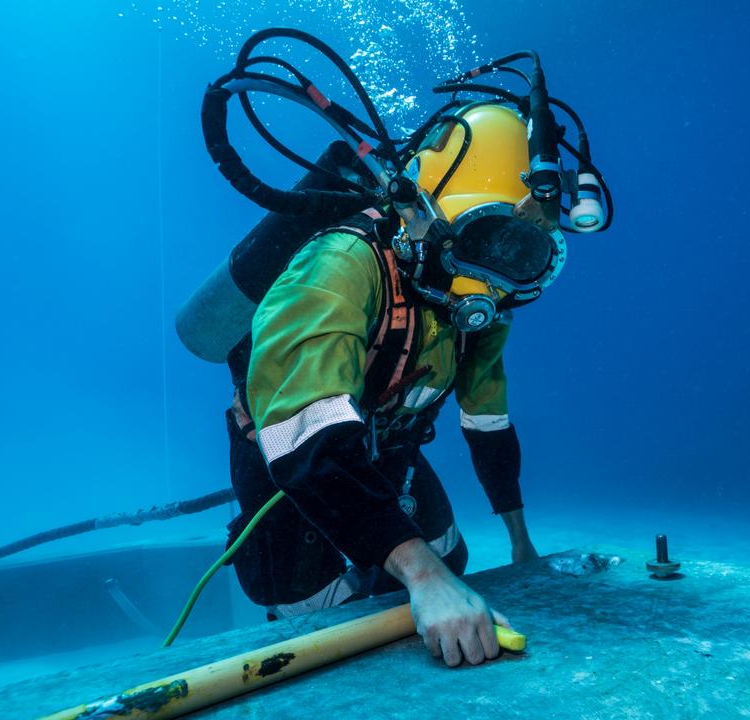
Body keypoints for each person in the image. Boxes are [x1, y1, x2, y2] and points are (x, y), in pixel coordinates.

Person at [224, 104, 556, 668]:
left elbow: (487, 421)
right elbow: (306, 439)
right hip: (293, 459)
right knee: (322, 623)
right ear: (427, 217)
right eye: (491, 242)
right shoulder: (339, 265)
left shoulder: (483, 304)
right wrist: (421, 578)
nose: (499, 283)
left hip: (387, 446)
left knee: (451, 559)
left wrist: (520, 542)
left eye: (523, 253)